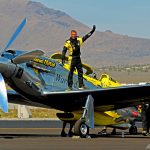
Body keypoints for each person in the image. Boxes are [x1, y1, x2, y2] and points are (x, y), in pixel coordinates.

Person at [62, 25, 96, 90]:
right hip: (72, 59)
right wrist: (63, 57)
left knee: (80, 72)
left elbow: (86, 37)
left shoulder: (79, 40)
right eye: (73, 34)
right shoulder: (68, 42)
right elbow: (64, 49)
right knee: (71, 73)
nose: (74, 35)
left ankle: (81, 86)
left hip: (78, 58)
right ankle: (69, 87)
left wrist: (92, 31)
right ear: (71, 35)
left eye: (75, 34)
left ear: (76, 34)